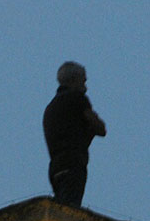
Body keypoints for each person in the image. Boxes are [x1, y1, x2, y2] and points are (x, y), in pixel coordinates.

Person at [43, 61, 107, 207]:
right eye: (83, 81)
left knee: (60, 209)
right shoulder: (78, 98)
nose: (85, 87)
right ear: (74, 80)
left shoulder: (51, 107)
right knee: (70, 213)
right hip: (73, 163)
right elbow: (101, 129)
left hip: (55, 167)